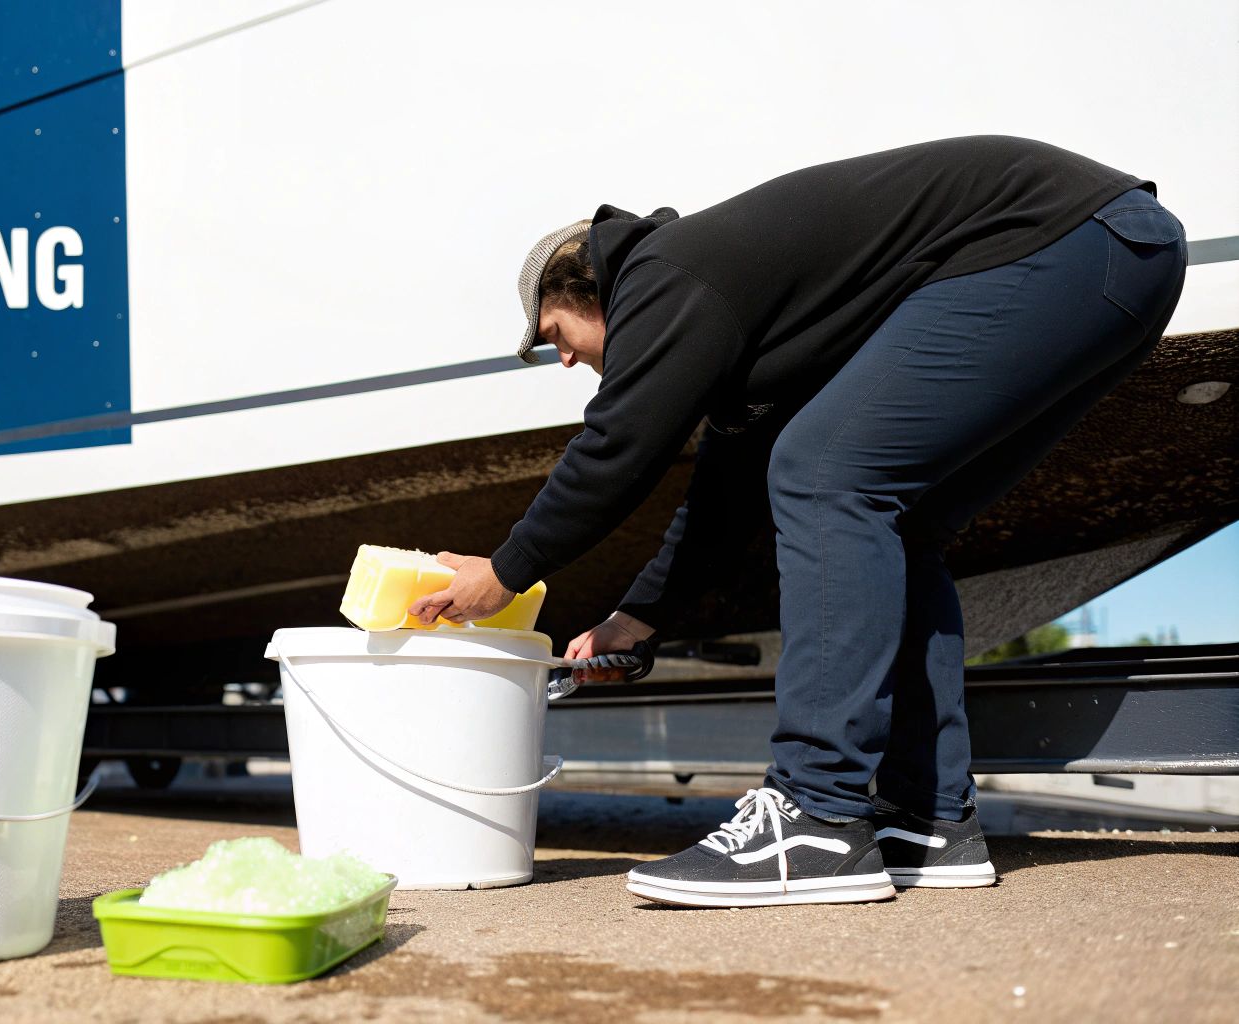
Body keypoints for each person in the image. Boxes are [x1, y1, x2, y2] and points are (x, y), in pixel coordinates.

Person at [406, 135, 1187, 908]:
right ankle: (929, 819)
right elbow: (722, 495)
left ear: (583, 289)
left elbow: (618, 446)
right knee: (890, 512)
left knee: (823, 474)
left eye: (554, 337)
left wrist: (503, 569)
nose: (567, 362)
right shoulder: (737, 316)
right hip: (1114, 258)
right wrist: (639, 617)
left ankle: (817, 814)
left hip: (1057, 240)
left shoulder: (661, 274)